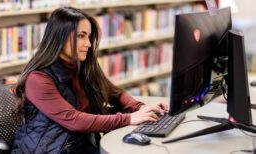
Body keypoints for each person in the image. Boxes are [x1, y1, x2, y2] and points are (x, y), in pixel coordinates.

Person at [12, 7, 168, 154]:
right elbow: (74, 120)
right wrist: (129, 118)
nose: (88, 43)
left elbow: (114, 93)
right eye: (81, 36)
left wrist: (140, 108)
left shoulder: (83, 66)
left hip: (81, 144)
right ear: (59, 37)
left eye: (88, 36)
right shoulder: (38, 79)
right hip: (51, 149)